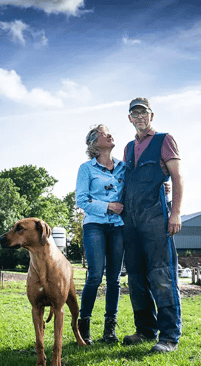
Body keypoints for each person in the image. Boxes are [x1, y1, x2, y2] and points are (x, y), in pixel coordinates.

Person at [121, 97, 184, 353]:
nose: (139, 118)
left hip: (156, 218)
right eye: (134, 114)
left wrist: (176, 213)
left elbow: (177, 177)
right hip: (131, 221)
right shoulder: (127, 147)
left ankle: (169, 337)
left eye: (143, 113)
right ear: (129, 118)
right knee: (136, 277)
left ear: (151, 115)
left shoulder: (164, 140)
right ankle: (146, 330)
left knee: (162, 275)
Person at [75, 124, 125, 344]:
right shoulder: (86, 169)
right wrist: (108, 206)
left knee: (114, 279)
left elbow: (138, 187)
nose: (110, 134)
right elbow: (81, 200)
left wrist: (163, 186)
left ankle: (109, 331)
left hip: (118, 227)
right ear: (95, 143)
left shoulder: (124, 167)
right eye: (104, 133)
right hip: (95, 225)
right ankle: (83, 327)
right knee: (95, 276)